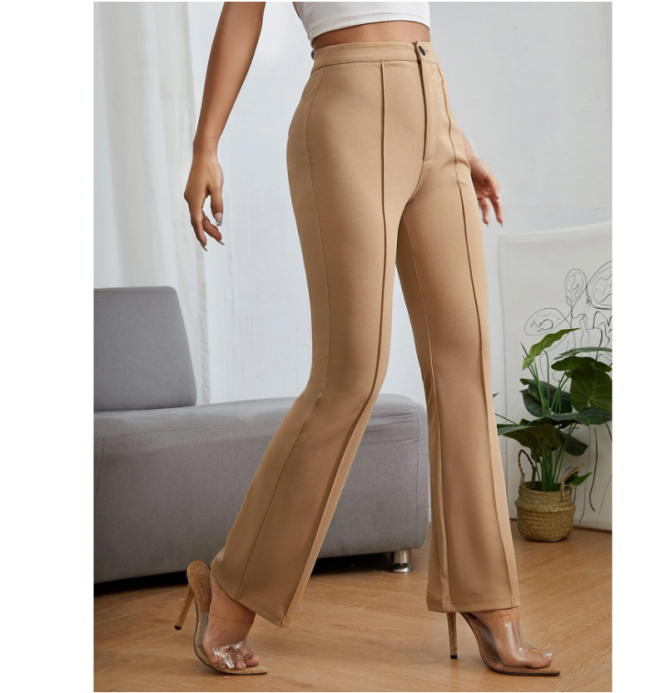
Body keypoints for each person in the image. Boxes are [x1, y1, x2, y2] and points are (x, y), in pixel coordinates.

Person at [180, 1, 559, 677]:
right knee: (351, 373)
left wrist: (456, 139)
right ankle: (233, 588)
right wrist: (205, 144)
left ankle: (488, 597)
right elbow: (242, 11)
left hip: (434, 107)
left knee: (466, 363)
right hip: (345, 110)